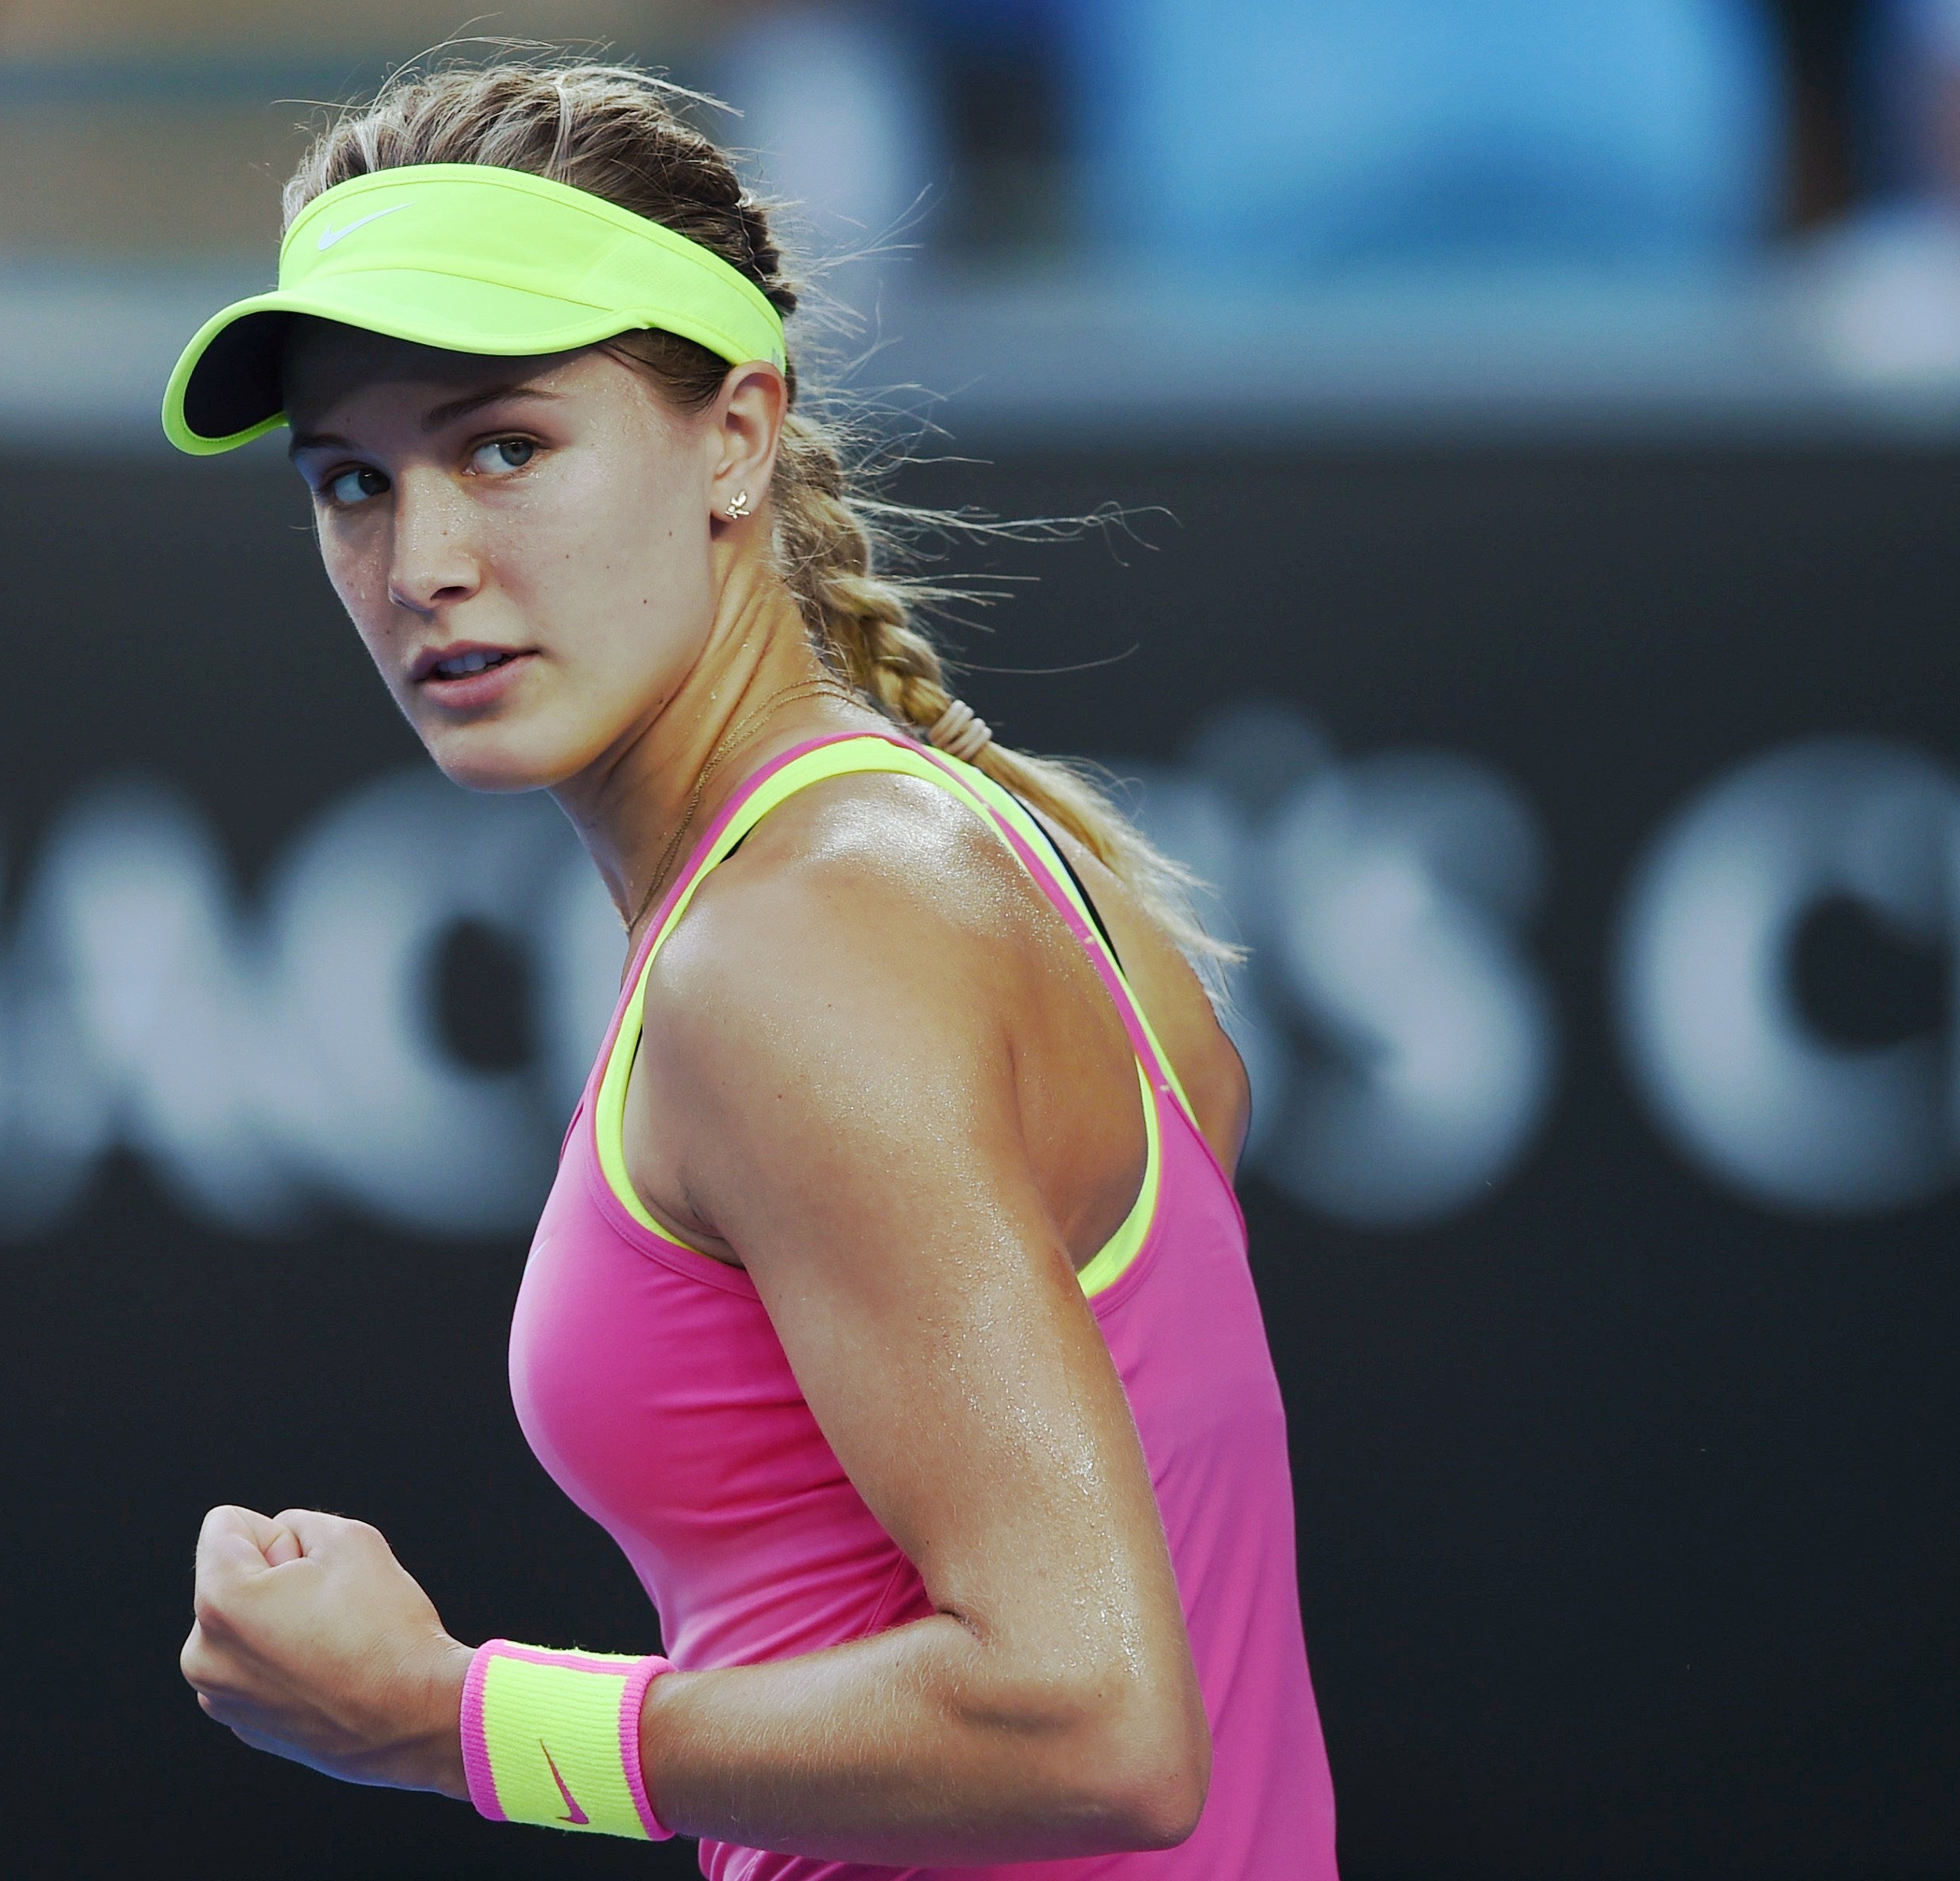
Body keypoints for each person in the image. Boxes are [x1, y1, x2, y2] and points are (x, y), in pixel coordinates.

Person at [167, 59, 1335, 1879]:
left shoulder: (803, 942)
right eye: (349, 483)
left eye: (505, 447)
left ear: (733, 437)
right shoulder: (990, 864)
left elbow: (1098, 1721)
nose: (425, 563)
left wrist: (453, 1722)